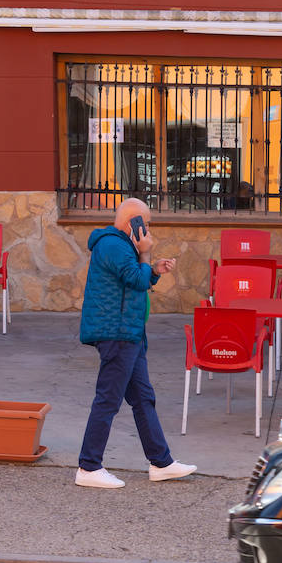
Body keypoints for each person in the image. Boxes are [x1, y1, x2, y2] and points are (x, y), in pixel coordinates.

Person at [75, 197, 196, 489]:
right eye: (147, 223)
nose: (149, 229)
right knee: (108, 399)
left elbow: (136, 280)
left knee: (143, 398)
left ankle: (161, 463)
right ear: (135, 224)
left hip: (128, 332)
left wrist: (152, 269)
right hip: (117, 333)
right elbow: (135, 279)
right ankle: (88, 467)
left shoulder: (118, 245)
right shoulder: (114, 245)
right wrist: (145, 256)